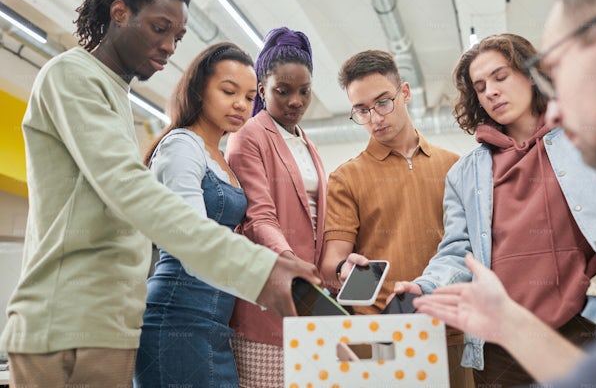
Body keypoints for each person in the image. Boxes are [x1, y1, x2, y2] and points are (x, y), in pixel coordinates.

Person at [0, 0, 319, 386]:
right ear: (119, 13)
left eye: (178, 36)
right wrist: (258, 268)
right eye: (159, 28)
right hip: (65, 327)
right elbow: (133, 191)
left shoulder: (114, 95)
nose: (169, 46)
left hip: (111, 323)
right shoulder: (71, 77)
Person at [414, 0, 596, 385]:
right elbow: (457, 251)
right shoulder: (466, 173)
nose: (491, 91)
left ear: (532, 74)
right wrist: (426, 286)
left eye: (502, 75)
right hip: (502, 337)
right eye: (480, 85)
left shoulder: (590, 141)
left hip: (590, 321)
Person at [319, 50, 473, 387]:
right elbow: (332, 259)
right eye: (361, 110)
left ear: (404, 92)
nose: (374, 118)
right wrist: (346, 268)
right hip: (379, 334)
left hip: (449, 331)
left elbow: (469, 250)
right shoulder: (347, 177)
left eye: (383, 102)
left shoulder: (454, 167)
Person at [133, 42, 257, 387]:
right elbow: (194, 238)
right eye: (228, 91)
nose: (240, 104)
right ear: (200, 90)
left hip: (213, 322)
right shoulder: (181, 146)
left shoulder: (220, 158)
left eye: (249, 97)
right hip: (177, 318)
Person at [225, 27, 326, 388]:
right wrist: (287, 258)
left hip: (308, 294)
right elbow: (257, 215)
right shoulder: (248, 136)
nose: (295, 101)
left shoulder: (307, 144)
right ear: (262, 90)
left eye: (304, 92)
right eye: (283, 91)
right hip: (268, 294)